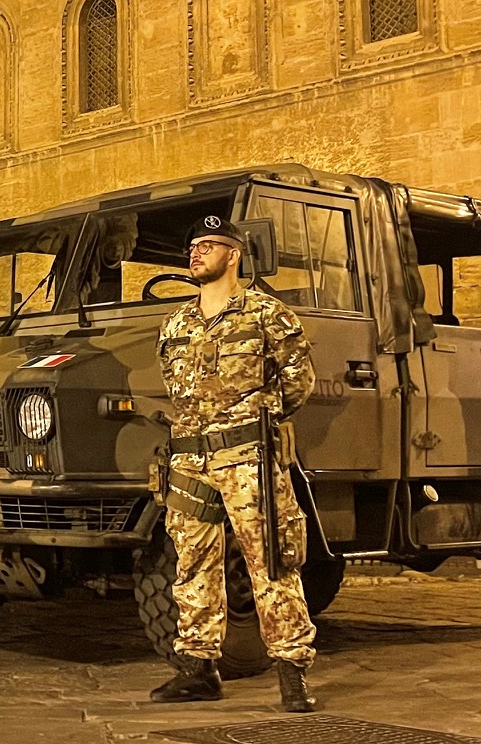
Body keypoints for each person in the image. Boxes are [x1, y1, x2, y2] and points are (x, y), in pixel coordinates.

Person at [150, 215, 318, 713]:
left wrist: (252, 421)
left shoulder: (268, 315)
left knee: (270, 558)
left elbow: (298, 383)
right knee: (192, 562)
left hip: (248, 456)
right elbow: (175, 386)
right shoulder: (176, 322)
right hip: (189, 457)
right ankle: (197, 668)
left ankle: (291, 671)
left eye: (208, 245)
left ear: (234, 255)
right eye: (193, 246)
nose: (195, 253)